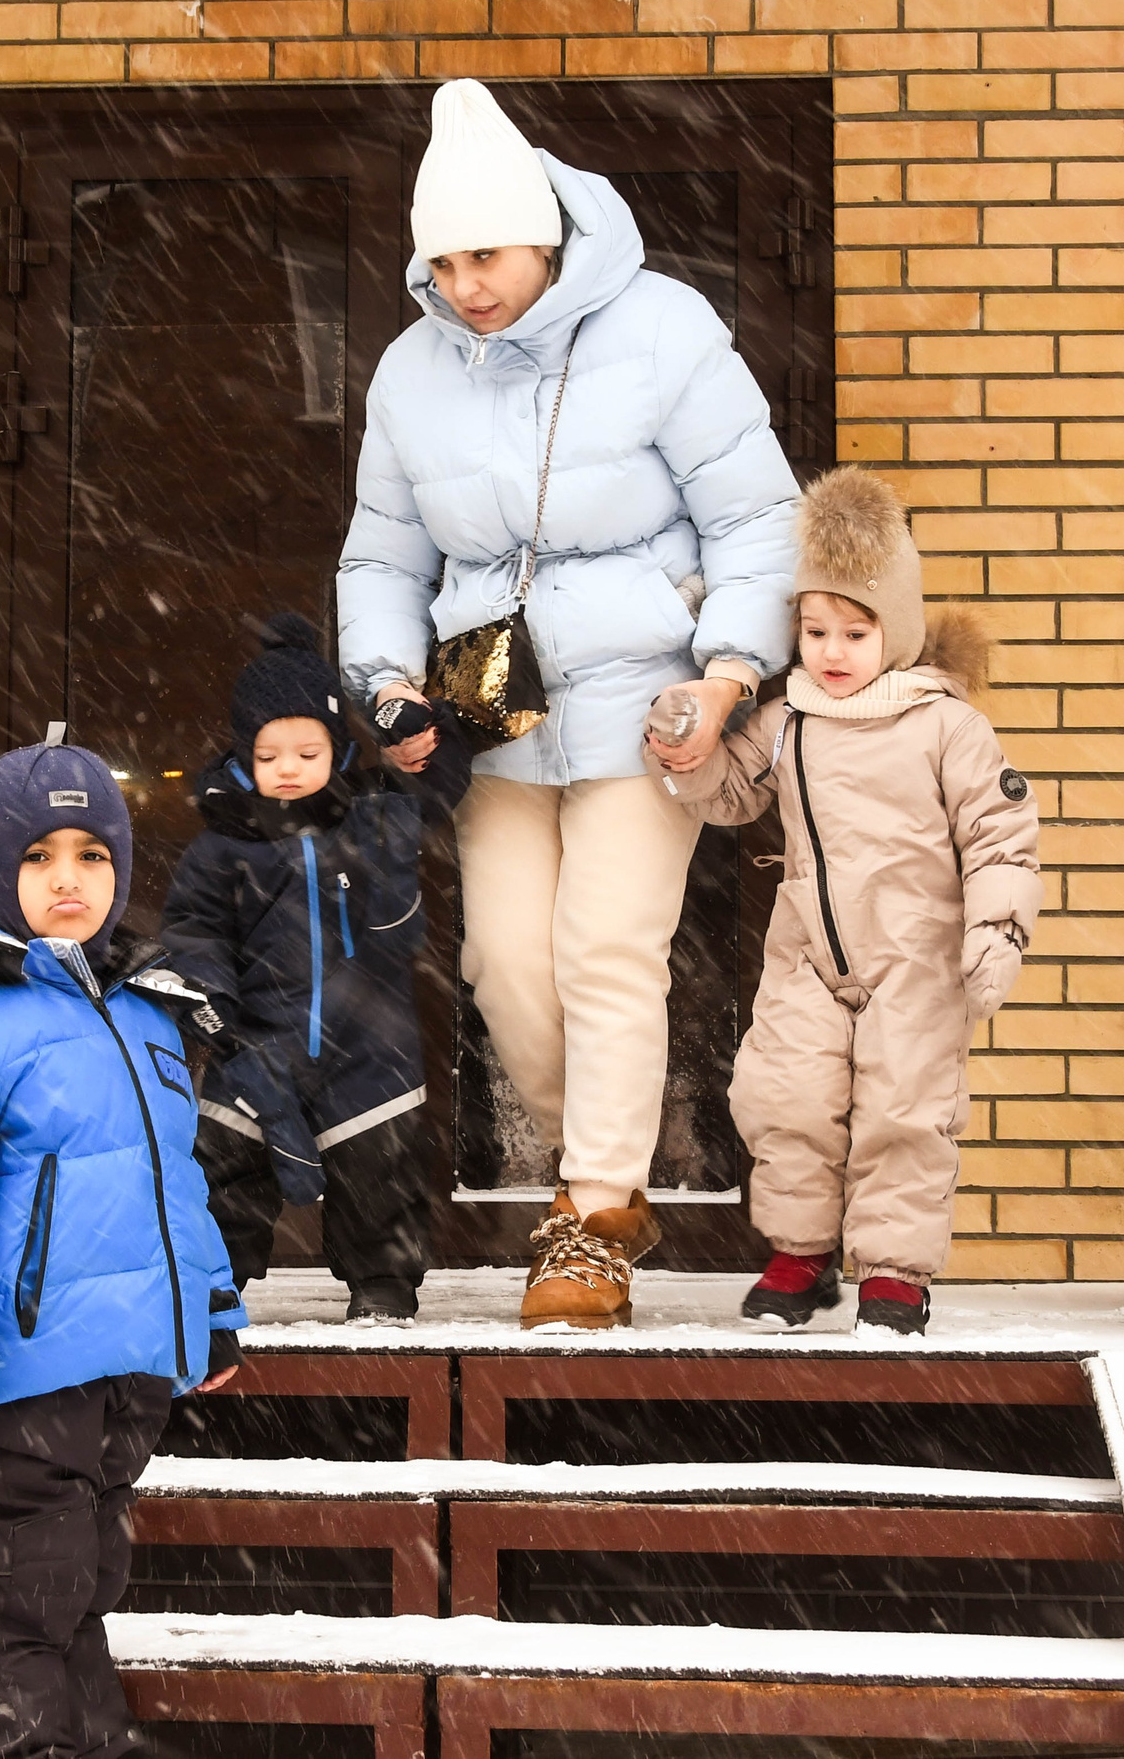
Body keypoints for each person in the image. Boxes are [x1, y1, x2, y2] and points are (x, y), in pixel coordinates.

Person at [337, 78, 803, 1329]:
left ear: (541, 233)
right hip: (492, 710)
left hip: (647, 700)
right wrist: (384, 680)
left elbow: (756, 516)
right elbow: (382, 556)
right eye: (441, 257)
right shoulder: (408, 369)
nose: (463, 281)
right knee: (502, 966)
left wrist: (726, 670)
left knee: (607, 952)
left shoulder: (664, 328)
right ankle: (578, 1170)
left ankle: (597, 1211)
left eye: (483, 252)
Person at [0, 737, 245, 1759]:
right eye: (40, 856)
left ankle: (89, 1734)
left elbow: (177, 1182)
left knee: (82, 1573)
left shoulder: (148, 1015)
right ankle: (6, 1741)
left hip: (128, 1362)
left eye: (91, 853)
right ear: (0, 872)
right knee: (21, 1589)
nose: (69, 878)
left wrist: (211, 1305)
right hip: (21, 1362)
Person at [656, 468, 1041, 1337]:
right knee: (784, 1097)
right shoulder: (789, 718)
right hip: (809, 955)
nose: (832, 652)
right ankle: (800, 1257)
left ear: (894, 632)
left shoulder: (946, 725)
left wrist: (997, 928)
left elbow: (1001, 836)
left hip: (918, 955)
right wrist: (685, 753)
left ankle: (895, 1274)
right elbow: (733, 793)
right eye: (815, 630)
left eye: (855, 633)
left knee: (903, 1110)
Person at [161, 614, 470, 1321]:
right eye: (270, 756)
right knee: (226, 1164)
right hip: (259, 1036)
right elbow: (194, 928)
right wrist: (209, 997)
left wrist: (434, 727)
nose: (290, 769)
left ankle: (383, 1288)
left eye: (308, 751)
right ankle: (211, 1287)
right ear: (244, 758)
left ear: (336, 748)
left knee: (379, 1169)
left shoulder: (372, 815)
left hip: (369, 1043)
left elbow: (442, 782)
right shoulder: (224, 844)